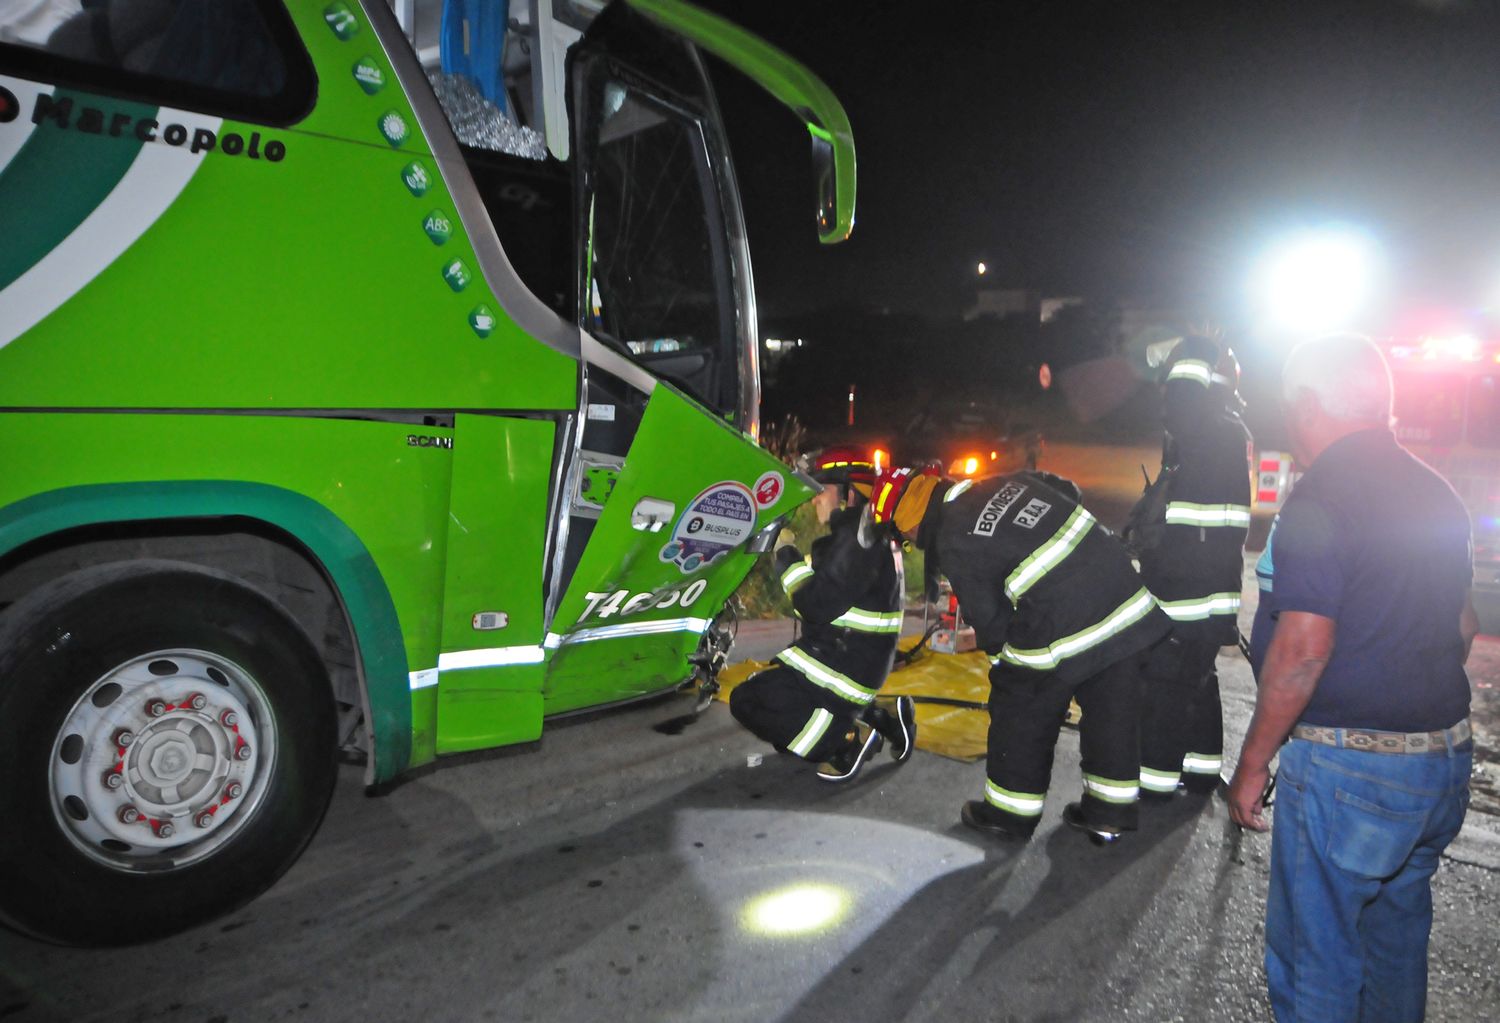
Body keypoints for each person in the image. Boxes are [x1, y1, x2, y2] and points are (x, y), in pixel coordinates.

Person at [1227, 334, 1476, 1021]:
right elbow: (1462, 626)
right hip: (1440, 763)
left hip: (1351, 770)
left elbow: (1303, 649)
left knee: (1317, 962)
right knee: (1394, 946)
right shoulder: (1435, 491)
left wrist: (1252, 763)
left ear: (1307, 405)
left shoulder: (1322, 496)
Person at [878, 464, 1171, 843]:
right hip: (1122, 596)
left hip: (1067, 613)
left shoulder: (952, 536)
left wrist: (1006, 669)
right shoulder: (999, 482)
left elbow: (991, 621)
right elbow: (1065, 487)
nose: (911, 541)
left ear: (912, 523)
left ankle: (1008, 814)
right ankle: (1109, 813)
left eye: (907, 536)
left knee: (1020, 704)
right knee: (1111, 706)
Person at [730, 447, 917, 782]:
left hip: (842, 669)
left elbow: (815, 606)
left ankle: (847, 741)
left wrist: (785, 554)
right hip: (847, 661)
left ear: (848, 494)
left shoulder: (857, 542)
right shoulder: (862, 536)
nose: (815, 500)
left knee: (748, 701)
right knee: (784, 723)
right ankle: (880, 716)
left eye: (822, 490)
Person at [1125, 335, 1252, 799]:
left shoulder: (1204, 427)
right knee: (1197, 678)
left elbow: (1177, 403)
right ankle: (1199, 774)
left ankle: (1153, 786)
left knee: (1164, 685)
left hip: (1185, 587)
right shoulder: (1224, 429)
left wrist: (1192, 347)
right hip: (1209, 587)